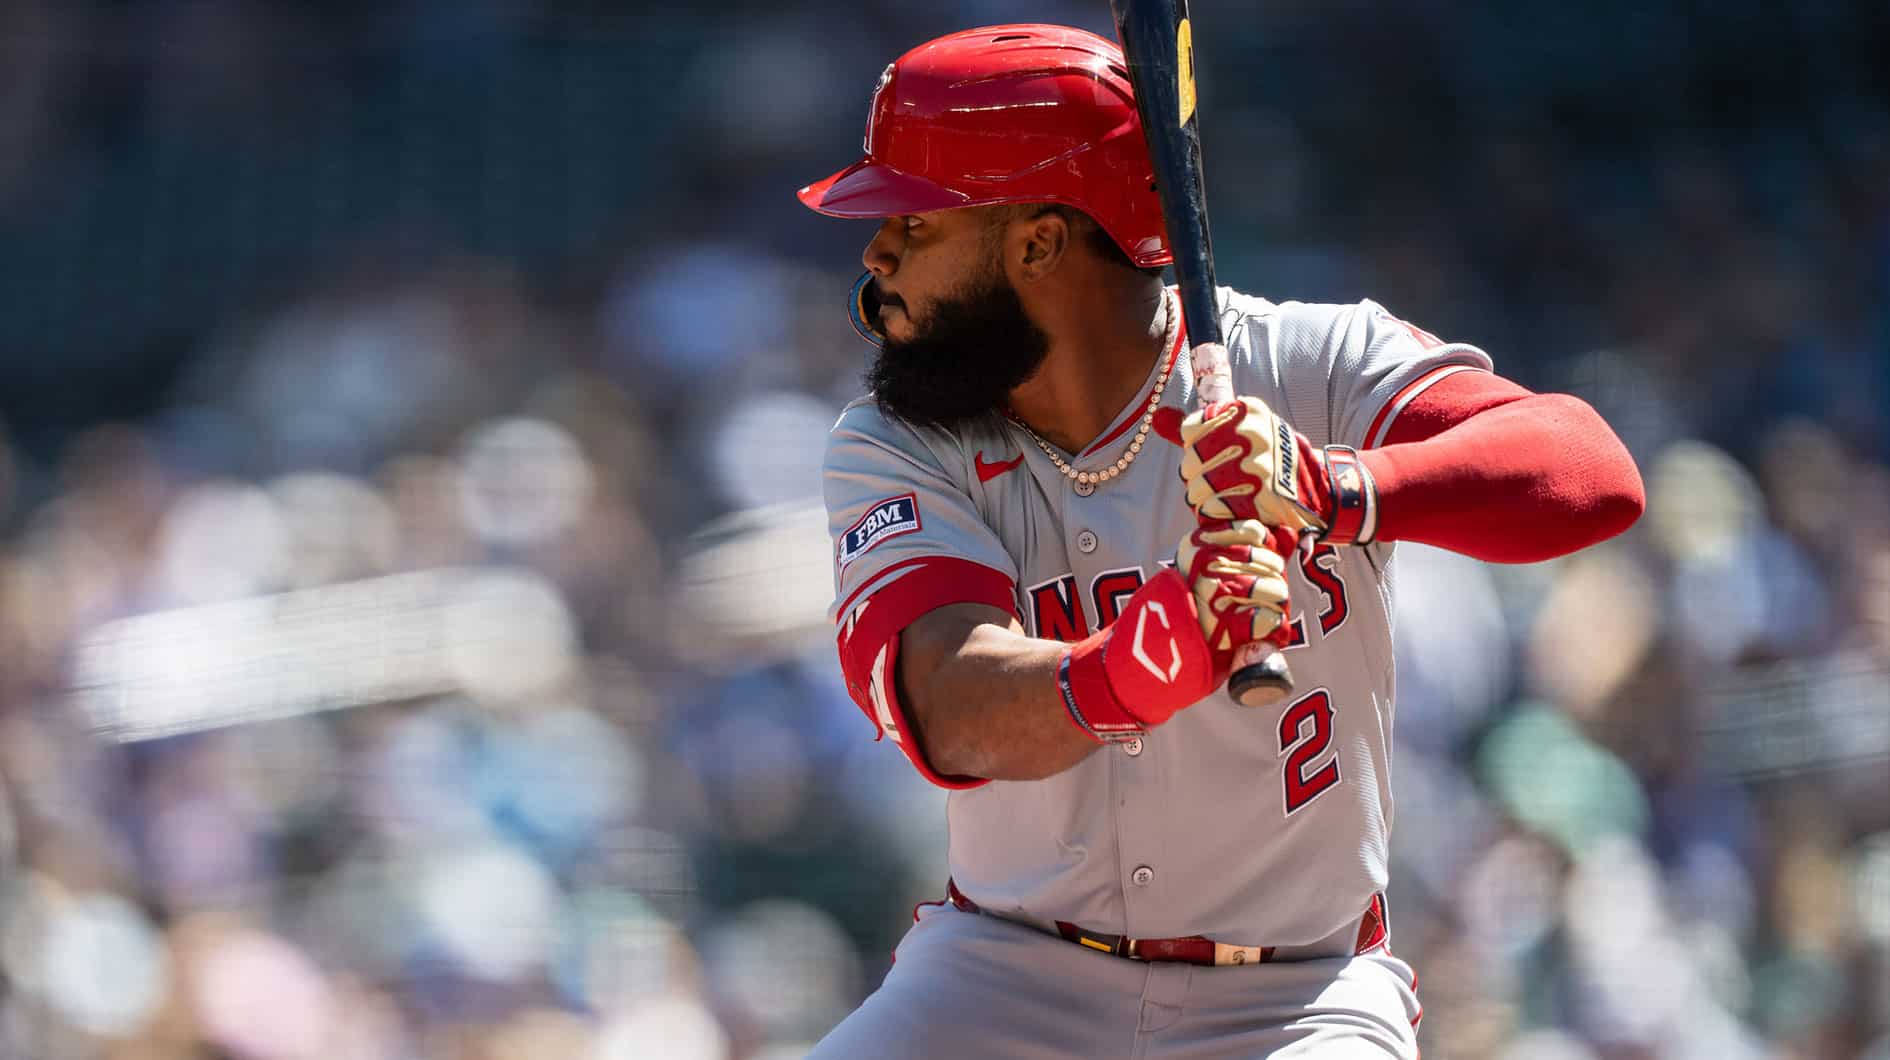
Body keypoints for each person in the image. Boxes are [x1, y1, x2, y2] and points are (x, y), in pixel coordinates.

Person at [798, 24, 1643, 1059]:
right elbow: (951, 703)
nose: (875, 253)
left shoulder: (1305, 364)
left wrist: (1333, 484)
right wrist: (1144, 659)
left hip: (1297, 997)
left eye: (912, 225)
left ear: (1037, 243)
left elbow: (1591, 472)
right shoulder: (898, 441)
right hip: (1000, 977)